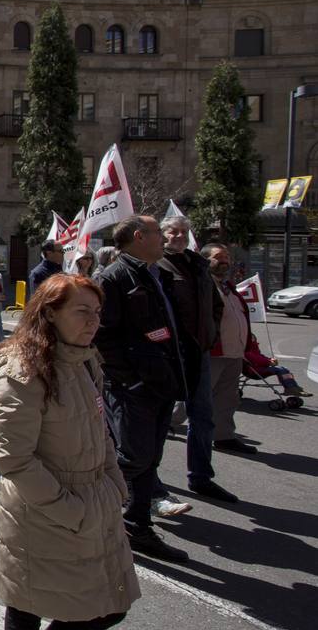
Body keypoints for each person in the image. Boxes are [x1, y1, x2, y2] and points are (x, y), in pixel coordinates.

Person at [0, 273, 140, 630]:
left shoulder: (85, 358)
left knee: (112, 603)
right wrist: (70, 509)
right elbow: (14, 459)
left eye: (97, 312)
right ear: (49, 313)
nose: (94, 322)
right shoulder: (22, 369)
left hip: (94, 502)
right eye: (82, 312)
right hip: (44, 511)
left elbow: (100, 427)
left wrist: (114, 481)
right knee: (27, 606)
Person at [93, 215, 190, 562]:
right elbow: (102, 337)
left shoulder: (156, 273)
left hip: (159, 384)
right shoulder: (114, 277)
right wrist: (130, 380)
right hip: (133, 388)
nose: (163, 238)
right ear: (138, 236)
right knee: (133, 457)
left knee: (149, 459)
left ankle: (137, 526)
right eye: (156, 233)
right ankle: (86, 513)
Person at [158, 217, 233, 507]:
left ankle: (201, 476)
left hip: (198, 353)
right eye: (173, 231)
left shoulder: (198, 264)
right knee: (160, 420)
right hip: (168, 355)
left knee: (203, 416)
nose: (179, 236)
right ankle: (149, 483)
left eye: (184, 232)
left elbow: (215, 304)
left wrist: (210, 335)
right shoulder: (155, 265)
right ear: (162, 235)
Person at [203, 243, 259, 460]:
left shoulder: (228, 287)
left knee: (227, 398)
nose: (224, 260)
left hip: (234, 352)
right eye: (218, 256)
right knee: (199, 395)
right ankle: (171, 422)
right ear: (206, 260)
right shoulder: (203, 284)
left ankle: (224, 436)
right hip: (213, 352)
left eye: (226, 256)